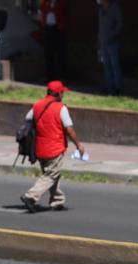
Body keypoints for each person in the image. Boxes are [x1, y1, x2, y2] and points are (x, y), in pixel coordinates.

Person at [20, 81, 85, 214]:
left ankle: (57, 200)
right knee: (51, 174)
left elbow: (28, 118)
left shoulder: (37, 105)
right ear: (57, 93)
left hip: (40, 147)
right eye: (62, 92)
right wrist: (78, 144)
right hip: (54, 147)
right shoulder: (61, 108)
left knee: (51, 173)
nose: (63, 95)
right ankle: (31, 196)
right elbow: (69, 129)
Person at [98, 0, 123, 96]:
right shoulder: (101, 10)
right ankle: (109, 88)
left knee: (115, 66)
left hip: (113, 43)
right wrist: (99, 40)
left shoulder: (115, 8)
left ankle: (117, 88)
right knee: (106, 66)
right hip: (103, 42)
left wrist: (111, 35)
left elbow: (120, 23)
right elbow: (100, 26)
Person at [39, 0, 67, 82]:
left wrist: (52, 7)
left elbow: (60, 10)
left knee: (60, 53)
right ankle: (49, 76)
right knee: (48, 53)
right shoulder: (45, 2)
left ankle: (62, 76)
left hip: (58, 29)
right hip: (47, 28)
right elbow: (42, 8)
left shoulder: (61, 2)